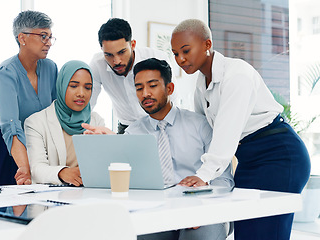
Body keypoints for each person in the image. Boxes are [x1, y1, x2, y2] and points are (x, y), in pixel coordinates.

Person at [170, 19, 310, 240]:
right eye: (175, 53)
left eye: (185, 51)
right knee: (245, 233)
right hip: (249, 161)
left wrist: (203, 175)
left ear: (207, 44)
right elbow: (201, 132)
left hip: (279, 156)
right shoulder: (200, 84)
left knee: (267, 234)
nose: (180, 59)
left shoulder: (236, 75)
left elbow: (227, 132)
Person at [84, 58, 234, 240]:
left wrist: (204, 209)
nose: (145, 93)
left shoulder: (200, 125)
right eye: (139, 88)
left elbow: (224, 181)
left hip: (203, 209)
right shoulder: (133, 133)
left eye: (152, 86)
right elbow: (127, 184)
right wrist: (108, 146)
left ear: (169, 89)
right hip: (156, 212)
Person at [0, 10, 58, 188]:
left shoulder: (51, 68)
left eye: (50, 37)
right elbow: (11, 126)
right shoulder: (6, 73)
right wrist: (24, 167)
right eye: (43, 36)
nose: (48, 43)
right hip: (0, 146)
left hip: (33, 147)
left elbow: (55, 114)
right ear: (22, 38)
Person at [24, 60, 104, 186]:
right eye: (73, 86)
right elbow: (36, 169)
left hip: (88, 195)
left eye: (87, 88)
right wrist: (62, 172)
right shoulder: (36, 122)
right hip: (51, 198)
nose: (81, 93)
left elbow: (104, 165)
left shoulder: (96, 121)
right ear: (61, 85)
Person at [89, 18, 173, 134]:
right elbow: (88, 103)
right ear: (102, 50)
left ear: (132, 44)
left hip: (159, 123)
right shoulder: (97, 64)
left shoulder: (157, 58)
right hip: (126, 126)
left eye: (121, 52)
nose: (116, 61)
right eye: (109, 55)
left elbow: (172, 99)